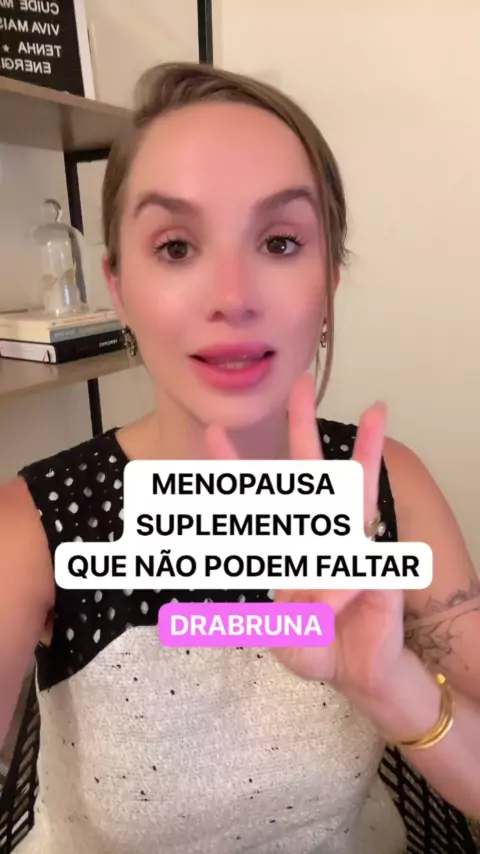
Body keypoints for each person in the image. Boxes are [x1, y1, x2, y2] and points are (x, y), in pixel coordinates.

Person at [0, 61, 479, 854]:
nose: (232, 294)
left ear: (328, 281)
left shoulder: (386, 486)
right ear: (119, 286)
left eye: (280, 241)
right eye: (176, 246)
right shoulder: (36, 523)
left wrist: (391, 684)